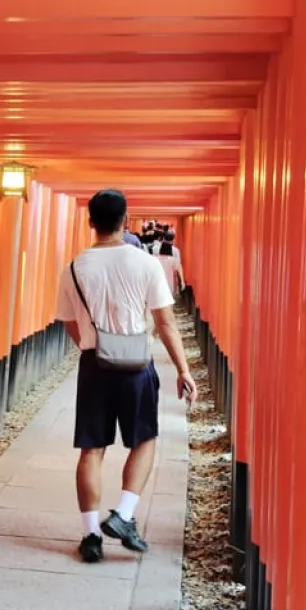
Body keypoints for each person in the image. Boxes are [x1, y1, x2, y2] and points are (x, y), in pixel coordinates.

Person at [56, 189, 198, 564]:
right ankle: (123, 514)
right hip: (136, 365)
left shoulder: (74, 268)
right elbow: (165, 323)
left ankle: (90, 536)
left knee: (92, 449)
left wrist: (92, 345)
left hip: (94, 364)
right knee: (144, 439)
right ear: (125, 220)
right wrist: (183, 369)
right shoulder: (145, 264)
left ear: (91, 221)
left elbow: (69, 321)